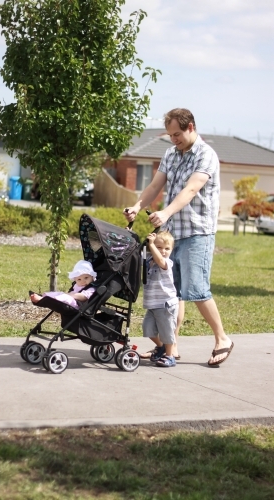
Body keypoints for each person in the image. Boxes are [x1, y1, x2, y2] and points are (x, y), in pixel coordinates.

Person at [124, 108, 234, 366]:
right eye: (171, 135)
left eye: (177, 134)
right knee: (171, 294)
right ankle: (170, 347)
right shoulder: (170, 154)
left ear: (191, 127)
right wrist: (137, 206)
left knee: (196, 288)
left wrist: (165, 212)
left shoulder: (206, 155)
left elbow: (191, 189)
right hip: (172, 235)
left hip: (198, 232)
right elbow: (154, 186)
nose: (174, 139)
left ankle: (222, 339)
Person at [142, 230, 179, 367]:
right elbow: (134, 255)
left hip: (165, 304)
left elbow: (160, 260)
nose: (163, 251)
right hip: (152, 304)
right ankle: (161, 347)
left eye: (167, 248)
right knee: (148, 329)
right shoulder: (149, 261)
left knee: (167, 331)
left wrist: (152, 245)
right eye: (159, 247)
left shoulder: (167, 263)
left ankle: (170, 356)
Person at [30, 260, 97, 309]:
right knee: (60, 293)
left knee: (65, 297)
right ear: (75, 279)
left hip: (78, 304)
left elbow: (84, 297)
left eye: (86, 278)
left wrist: (70, 295)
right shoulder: (77, 285)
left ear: (92, 277)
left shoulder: (91, 288)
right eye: (79, 279)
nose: (83, 281)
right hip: (72, 300)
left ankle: (49, 300)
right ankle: (44, 298)